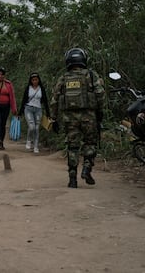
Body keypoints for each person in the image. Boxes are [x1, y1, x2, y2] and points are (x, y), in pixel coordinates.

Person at [50, 48, 105, 188]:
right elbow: (100, 94)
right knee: (90, 143)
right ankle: (87, 168)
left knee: (72, 147)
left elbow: (54, 100)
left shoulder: (64, 78)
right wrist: (100, 111)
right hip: (89, 116)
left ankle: (72, 178)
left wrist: (53, 119)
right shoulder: (91, 75)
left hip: (69, 118)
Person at [18, 72, 50, 153]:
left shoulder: (41, 88)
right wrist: (20, 112)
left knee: (37, 128)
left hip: (38, 109)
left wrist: (48, 113)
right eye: (33, 80)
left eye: (36, 80)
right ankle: (28, 140)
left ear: (38, 80)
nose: (35, 81)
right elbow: (24, 100)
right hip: (28, 109)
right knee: (31, 126)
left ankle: (36, 146)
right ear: (31, 81)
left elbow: (45, 101)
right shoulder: (28, 88)